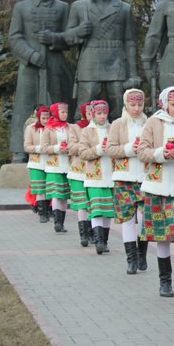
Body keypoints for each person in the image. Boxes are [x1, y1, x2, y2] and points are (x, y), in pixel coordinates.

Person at [137, 87, 174, 299]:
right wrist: (162, 153)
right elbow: (142, 151)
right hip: (157, 187)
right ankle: (165, 282)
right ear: (165, 104)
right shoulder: (154, 122)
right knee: (161, 235)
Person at [8, 0, 73, 161]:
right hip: (29, 65)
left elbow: (70, 38)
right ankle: (20, 149)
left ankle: (62, 144)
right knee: (24, 105)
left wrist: (53, 38)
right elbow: (14, 37)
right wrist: (30, 55)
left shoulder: (62, 7)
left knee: (57, 106)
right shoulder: (21, 7)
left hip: (54, 64)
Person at [64, 0, 140, 121]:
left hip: (116, 63)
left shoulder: (124, 8)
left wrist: (133, 73)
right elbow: (68, 38)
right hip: (90, 61)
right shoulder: (79, 6)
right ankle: (83, 138)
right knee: (85, 108)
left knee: (119, 107)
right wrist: (79, 31)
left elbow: (130, 42)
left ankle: (119, 138)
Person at [106, 89, 149, 273]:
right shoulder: (118, 124)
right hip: (124, 178)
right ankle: (131, 259)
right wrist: (131, 148)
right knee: (127, 219)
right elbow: (110, 149)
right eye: (132, 105)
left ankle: (142, 254)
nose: (136, 108)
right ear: (126, 104)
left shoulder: (150, 123)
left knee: (144, 218)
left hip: (146, 179)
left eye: (139, 104)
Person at [79, 100, 117, 254]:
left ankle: (105, 241)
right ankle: (98, 241)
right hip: (94, 177)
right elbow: (83, 153)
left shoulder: (113, 129)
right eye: (99, 113)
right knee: (96, 210)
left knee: (108, 212)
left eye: (104, 113)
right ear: (93, 114)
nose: (102, 116)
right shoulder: (87, 131)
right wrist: (99, 149)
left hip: (111, 177)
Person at [41, 103, 72, 232]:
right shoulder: (48, 128)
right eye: (62, 112)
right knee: (56, 193)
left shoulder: (70, 127)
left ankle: (62, 223)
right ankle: (57, 221)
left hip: (68, 165)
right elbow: (44, 147)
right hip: (54, 166)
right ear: (55, 112)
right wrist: (57, 148)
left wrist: (70, 148)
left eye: (66, 112)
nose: (65, 114)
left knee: (64, 196)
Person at [68, 103, 93, 246]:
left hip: (95, 171)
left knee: (93, 203)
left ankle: (93, 232)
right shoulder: (75, 128)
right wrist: (86, 145)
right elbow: (71, 147)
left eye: (93, 112)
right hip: (79, 170)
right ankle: (83, 234)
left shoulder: (99, 128)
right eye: (88, 112)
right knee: (83, 203)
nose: (91, 115)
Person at [24, 106, 51, 222]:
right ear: (39, 118)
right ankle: (42, 213)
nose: (45, 121)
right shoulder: (31, 128)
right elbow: (27, 146)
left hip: (51, 163)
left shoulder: (52, 129)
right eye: (43, 118)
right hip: (36, 162)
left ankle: (49, 210)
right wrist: (40, 148)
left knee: (49, 189)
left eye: (47, 118)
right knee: (40, 189)